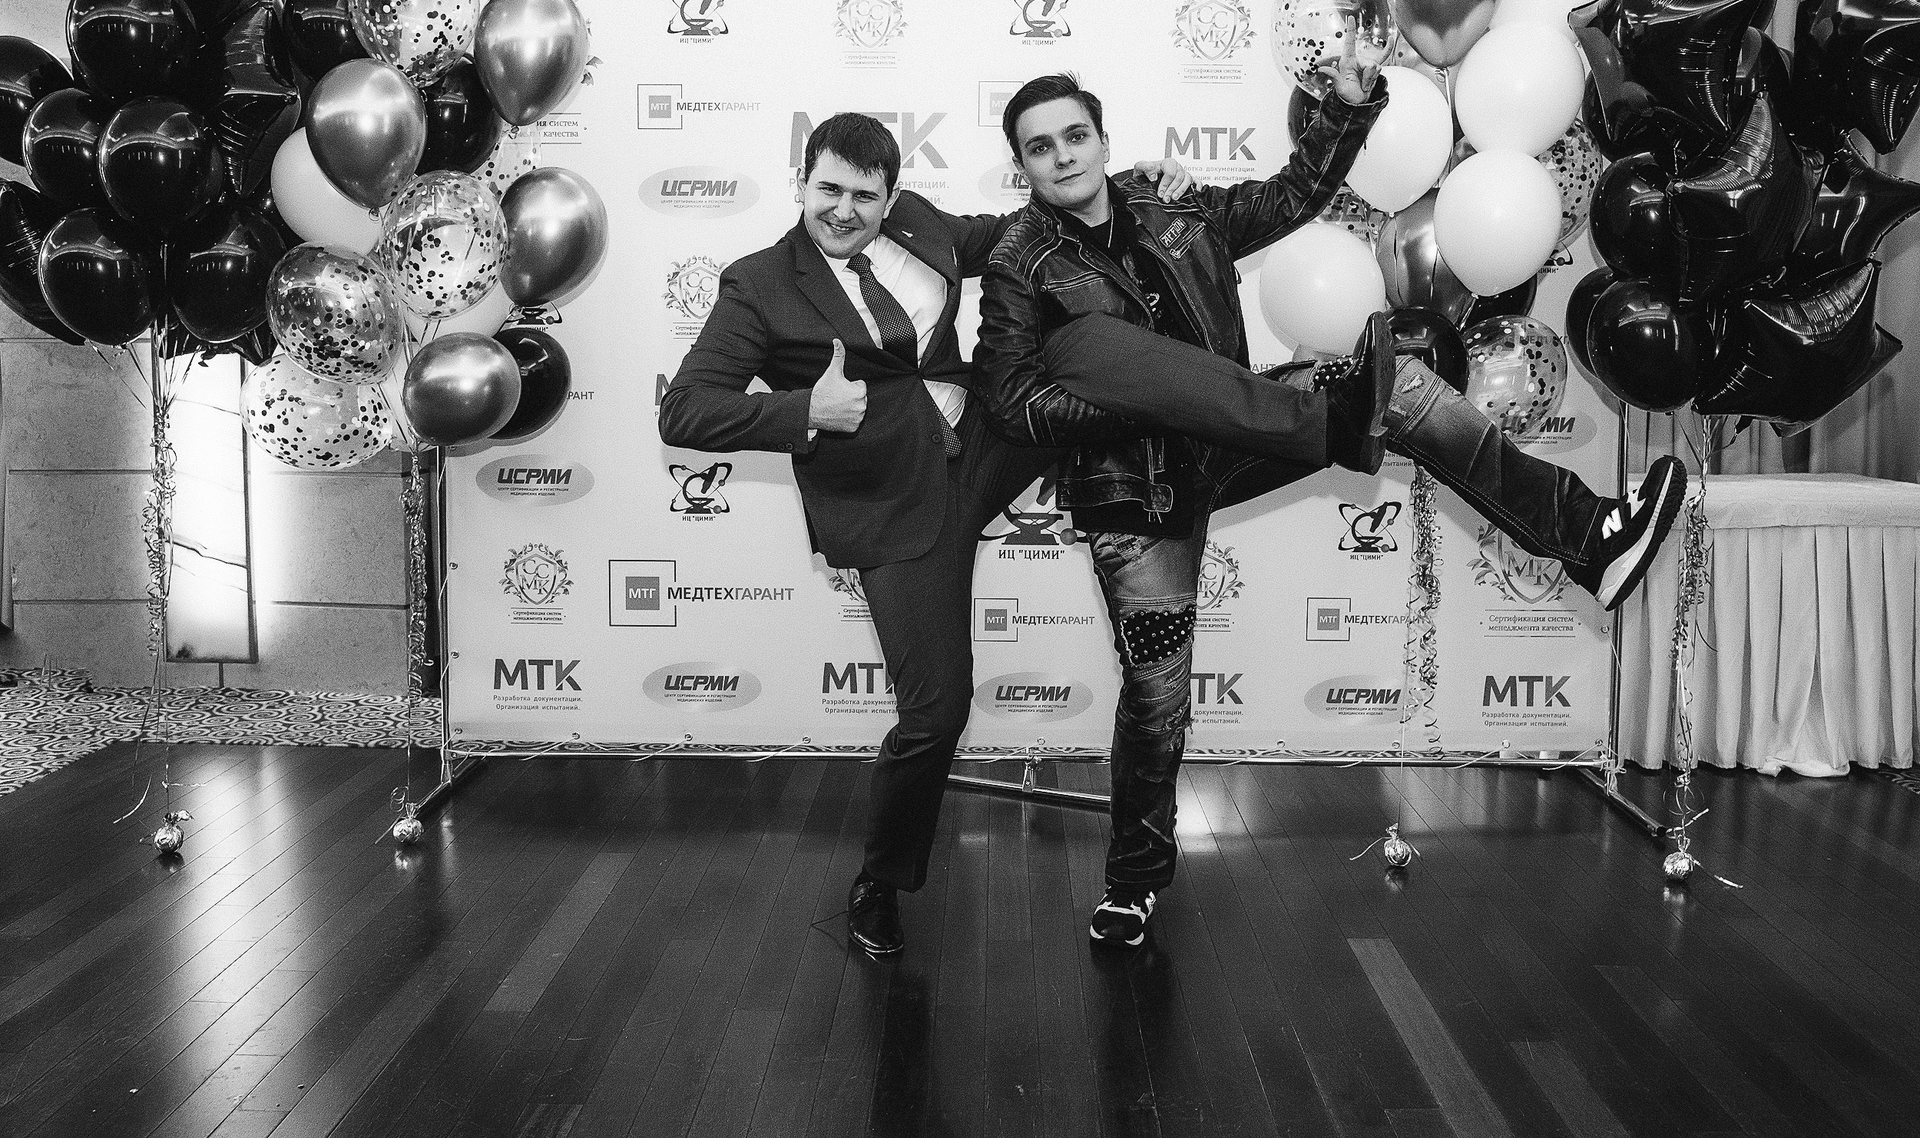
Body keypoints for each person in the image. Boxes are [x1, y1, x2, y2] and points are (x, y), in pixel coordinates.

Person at [974, 64, 1689, 948]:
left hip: (1239, 438)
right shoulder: (1019, 261)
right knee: (1157, 700)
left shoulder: (1168, 204)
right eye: (1040, 147)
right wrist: (1147, 402)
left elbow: (1289, 197)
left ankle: (1589, 536)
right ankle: (1132, 883)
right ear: (1022, 166)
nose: (1063, 156)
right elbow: (1012, 401)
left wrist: (1349, 108)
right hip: (1134, 496)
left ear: (1102, 138)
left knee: (1402, 390)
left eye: (1074, 135)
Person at [658, 113, 1193, 957]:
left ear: (891, 196)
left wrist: (1133, 185)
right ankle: (881, 880)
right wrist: (804, 410)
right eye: (828, 190)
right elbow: (684, 410)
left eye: (864, 196)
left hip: (980, 440)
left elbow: (1023, 224)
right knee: (937, 711)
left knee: (1083, 354)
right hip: (891, 501)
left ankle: (1240, 432)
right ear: (802, 182)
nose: (844, 210)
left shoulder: (918, 225)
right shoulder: (759, 285)